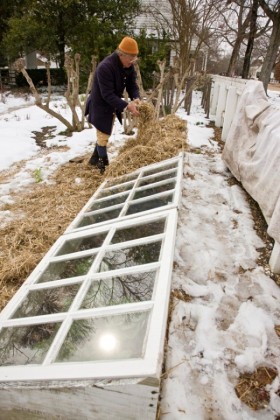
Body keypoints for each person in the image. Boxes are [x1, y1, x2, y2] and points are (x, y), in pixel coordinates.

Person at [85, 36, 141, 174]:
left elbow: (132, 85)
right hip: (100, 104)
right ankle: (103, 165)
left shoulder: (128, 66)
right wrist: (127, 106)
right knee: (103, 134)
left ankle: (93, 159)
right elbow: (107, 94)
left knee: (104, 133)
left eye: (135, 58)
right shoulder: (106, 67)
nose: (133, 61)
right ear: (121, 54)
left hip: (111, 103)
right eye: (131, 58)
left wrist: (136, 98)